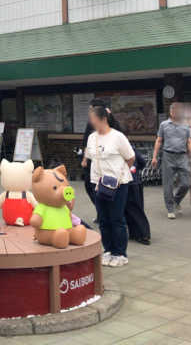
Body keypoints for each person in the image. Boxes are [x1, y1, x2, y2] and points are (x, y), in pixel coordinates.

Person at [84, 104, 135, 268]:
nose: (91, 122)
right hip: (98, 183)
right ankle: (108, 250)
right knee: (103, 219)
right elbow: (90, 156)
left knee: (117, 218)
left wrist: (119, 173)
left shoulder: (118, 136)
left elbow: (130, 157)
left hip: (117, 184)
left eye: (93, 119)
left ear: (103, 119)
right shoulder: (92, 137)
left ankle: (120, 253)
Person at [151, 103, 191, 219]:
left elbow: (189, 142)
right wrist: (154, 157)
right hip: (168, 156)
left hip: (182, 156)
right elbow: (159, 140)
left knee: (186, 183)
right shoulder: (164, 125)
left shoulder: (186, 126)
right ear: (171, 112)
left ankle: (176, 200)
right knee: (168, 185)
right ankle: (170, 208)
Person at [125, 149, 151, 245]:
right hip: (136, 182)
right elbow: (142, 163)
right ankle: (134, 233)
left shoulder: (121, 149)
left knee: (133, 209)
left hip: (129, 182)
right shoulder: (133, 149)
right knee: (133, 208)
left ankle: (143, 234)